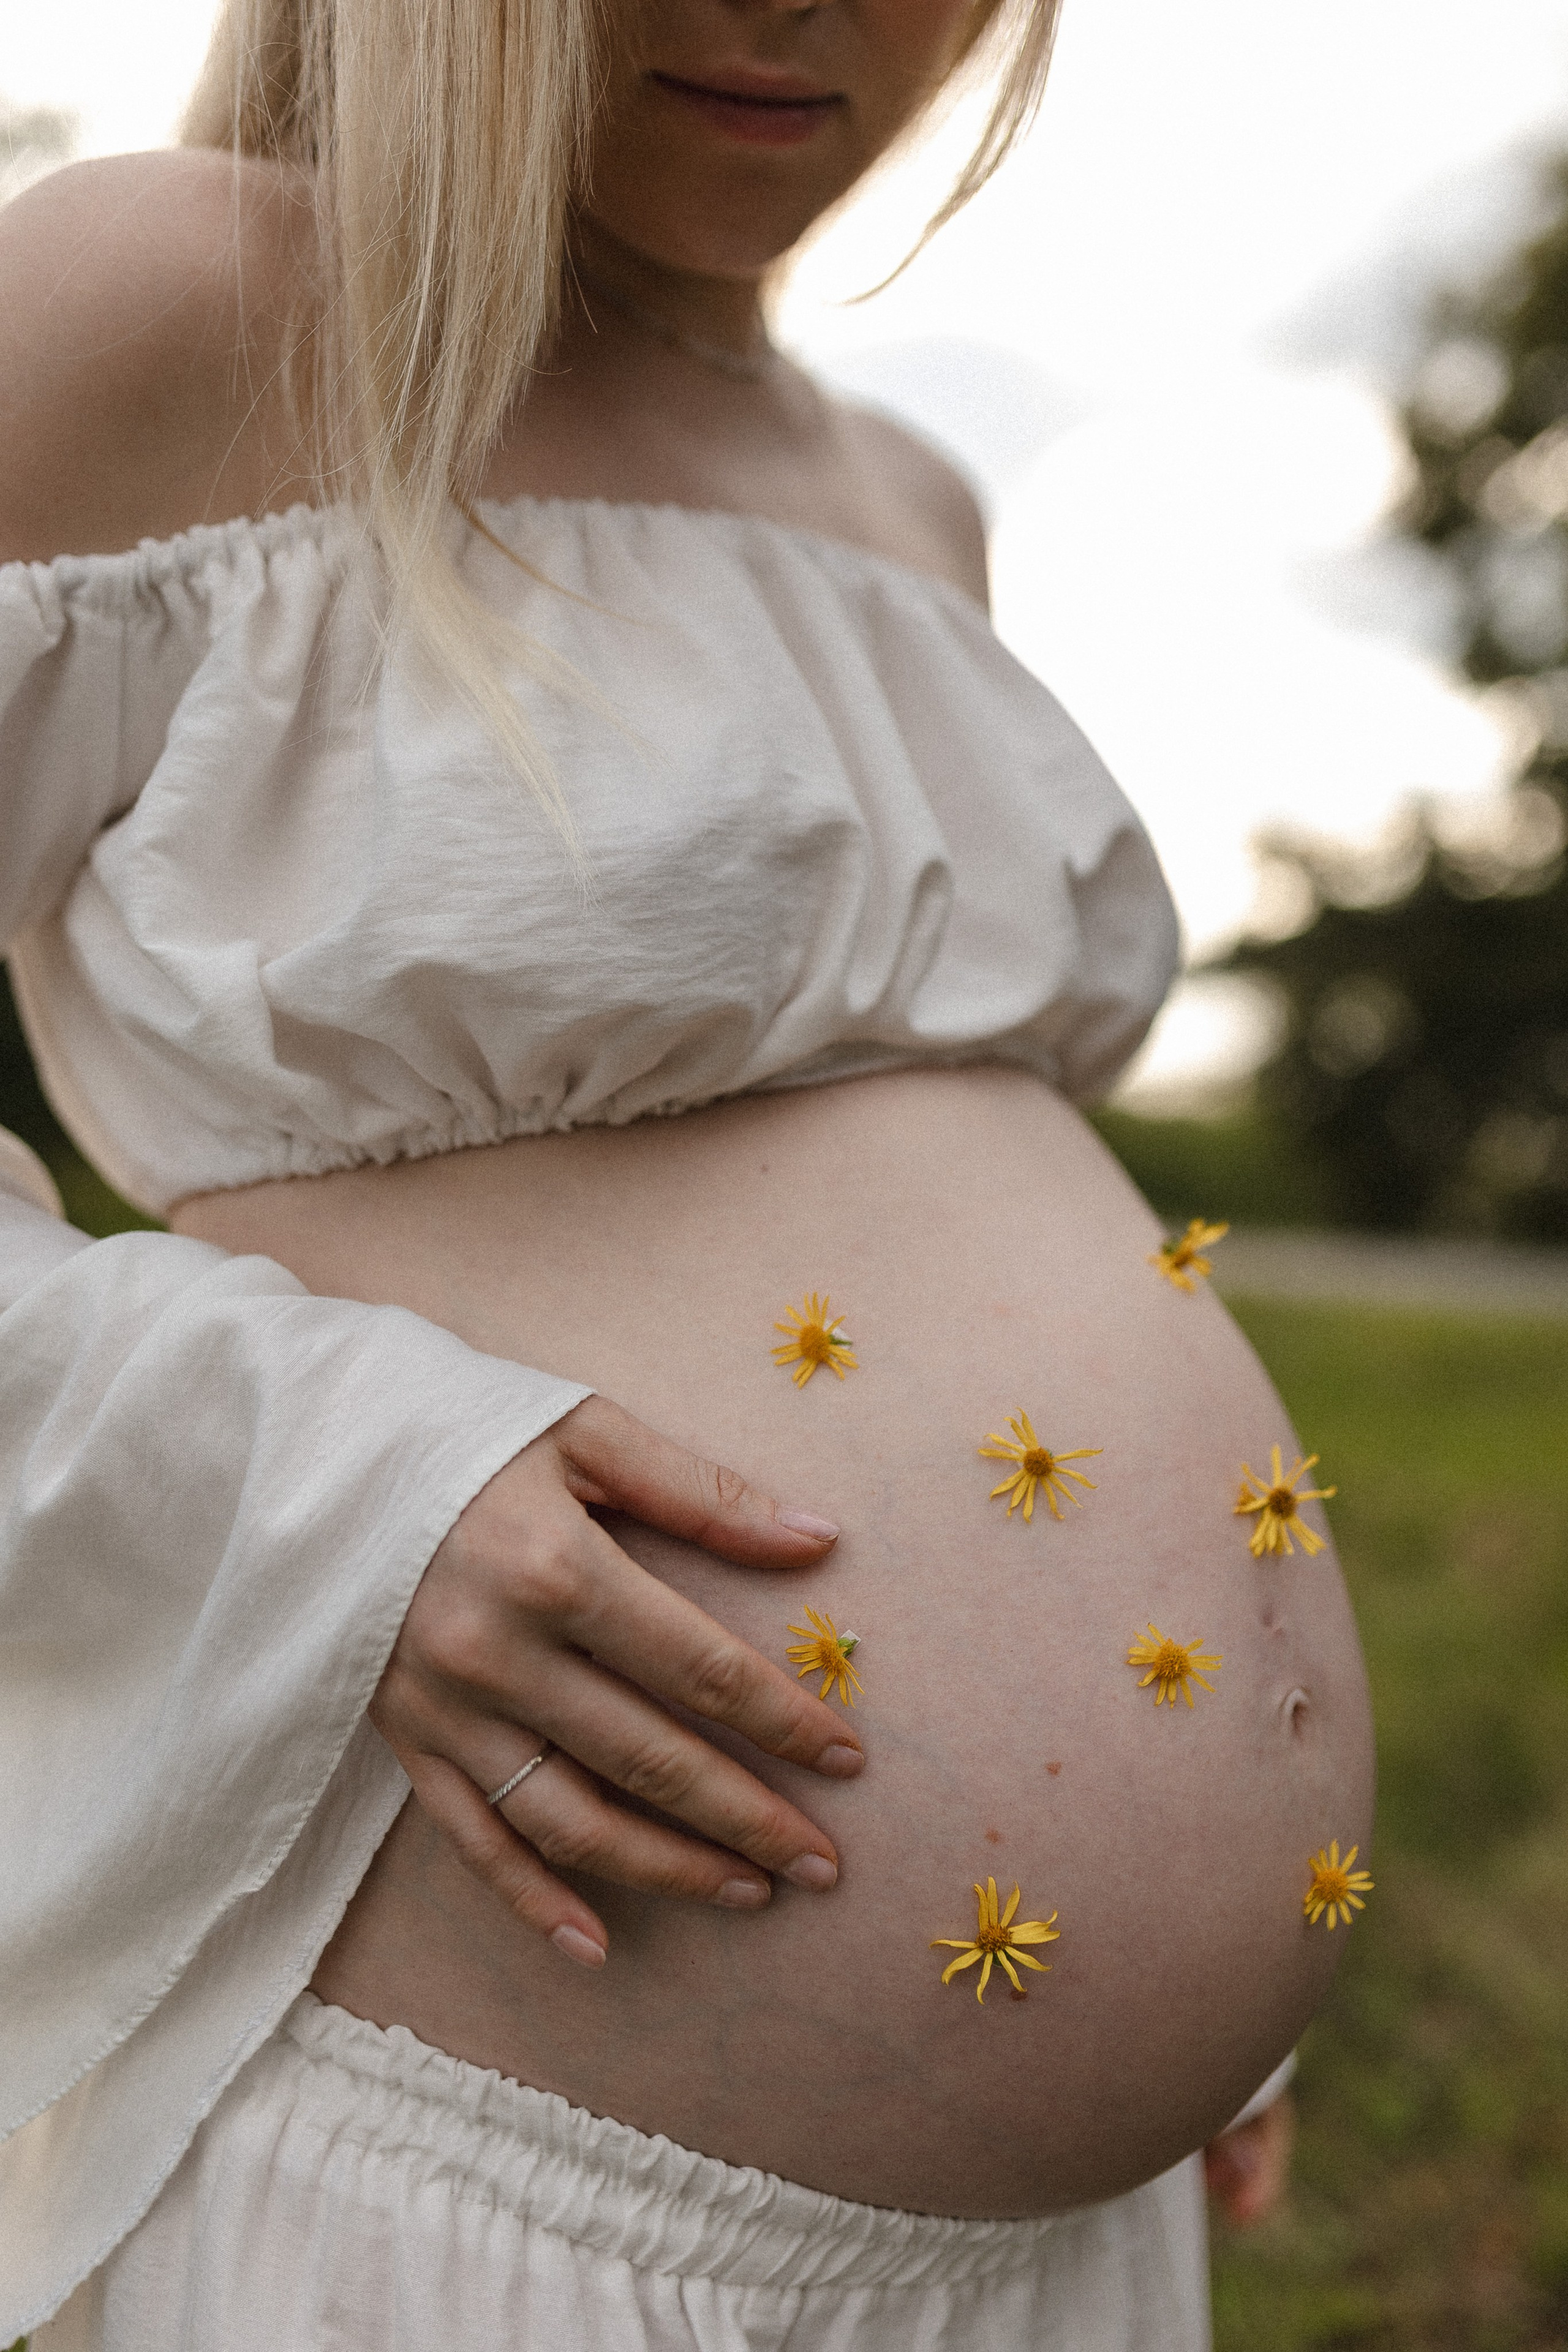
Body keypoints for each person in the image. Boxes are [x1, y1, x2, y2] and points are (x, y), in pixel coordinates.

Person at [0, 0, 1371, 2342]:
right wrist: (324, 1480)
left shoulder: (919, 502)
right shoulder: (173, 302)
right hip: (476, 2193)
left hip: (1046, 2251)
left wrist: (1200, 1941)